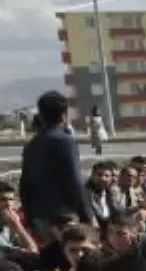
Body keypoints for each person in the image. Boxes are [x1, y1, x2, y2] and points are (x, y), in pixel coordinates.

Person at [20, 91, 96, 238]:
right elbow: (74, 181)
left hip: (39, 217)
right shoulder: (64, 141)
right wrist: (88, 216)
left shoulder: (31, 144)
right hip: (64, 218)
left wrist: (30, 217)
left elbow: (25, 184)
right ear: (63, 115)